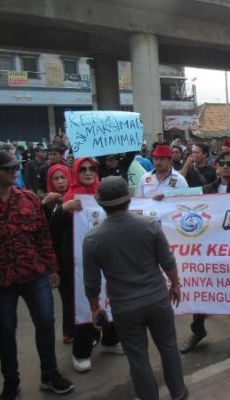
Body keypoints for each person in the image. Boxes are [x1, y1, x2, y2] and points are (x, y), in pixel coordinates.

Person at [83, 177, 188, 400]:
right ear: (129, 201)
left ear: (101, 204)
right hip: (157, 300)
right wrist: (176, 285)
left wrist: (95, 307)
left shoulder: (92, 238)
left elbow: (91, 281)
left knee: (137, 357)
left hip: (125, 306)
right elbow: (167, 261)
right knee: (169, 347)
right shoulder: (149, 226)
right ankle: (178, 393)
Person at [0, 151, 74, 398]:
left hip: (34, 274)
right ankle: (11, 381)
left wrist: (52, 269)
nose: (15, 171)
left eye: (16, 166)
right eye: (8, 168)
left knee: (46, 323)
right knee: (6, 331)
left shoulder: (28, 199)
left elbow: (43, 237)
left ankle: (49, 374)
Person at [180, 150, 230, 355]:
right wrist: (161, 199)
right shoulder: (205, 190)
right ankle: (198, 332)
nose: (225, 166)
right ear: (216, 166)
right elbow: (179, 202)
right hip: (209, 252)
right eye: (221, 162)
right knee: (202, 292)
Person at [53, 157, 123, 372]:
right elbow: (52, 234)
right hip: (77, 265)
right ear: (75, 172)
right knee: (84, 306)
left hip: (108, 261)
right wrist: (63, 210)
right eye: (82, 169)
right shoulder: (67, 200)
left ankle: (110, 341)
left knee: (111, 301)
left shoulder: (106, 196)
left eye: (92, 168)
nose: (87, 172)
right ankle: (81, 352)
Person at [42, 164, 75, 343]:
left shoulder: (76, 197)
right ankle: (70, 331)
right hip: (57, 255)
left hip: (75, 253)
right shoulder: (47, 202)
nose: (61, 182)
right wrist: (43, 205)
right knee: (67, 296)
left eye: (63, 177)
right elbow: (40, 229)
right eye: (56, 178)